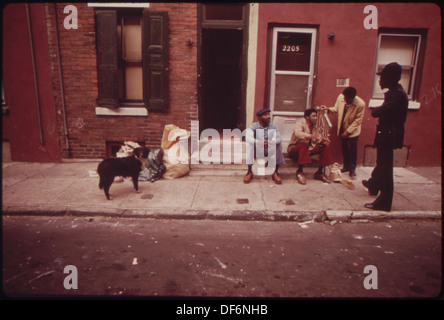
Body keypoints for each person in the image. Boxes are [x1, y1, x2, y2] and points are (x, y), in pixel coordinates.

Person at [362, 62, 408, 211]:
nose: (380, 81)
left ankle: (384, 202)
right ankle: (374, 186)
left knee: (386, 168)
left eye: (383, 78)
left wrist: (377, 110)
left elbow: (380, 111)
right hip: (386, 134)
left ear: (392, 78)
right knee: (382, 165)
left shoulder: (397, 95)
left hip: (389, 135)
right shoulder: (394, 93)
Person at [287, 108, 333, 184]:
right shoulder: (300, 123)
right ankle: (299, 172)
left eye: (316, 116)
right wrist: (310, 136)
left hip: (306, 150)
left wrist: (322, 140)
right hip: (294, 149)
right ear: (307, 117)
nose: (316, 118)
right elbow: (298, 133)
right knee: (304, 145)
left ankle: (319, 172)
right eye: (314, 116)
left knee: (325, 146)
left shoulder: (315, 127)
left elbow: (316, 140)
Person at [326, 87, 365, 178]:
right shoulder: (341, 97)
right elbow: (336, 108)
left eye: (347, 99)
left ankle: (352, 170)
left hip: (353, 130)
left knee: (353, 149)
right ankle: (346, 166)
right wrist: (327, 109)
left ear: (352, 98)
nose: (344, 100)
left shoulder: (360, 104)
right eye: (344, 98)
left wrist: (348, 132)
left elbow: (358, 121)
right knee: (344, 148)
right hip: (342, 128)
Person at [244, 109, 285, 184]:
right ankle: (249, 172)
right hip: (258, 150)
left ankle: (275, 172)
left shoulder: (273, 126)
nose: (268, 116)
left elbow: (279, 138)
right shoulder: (253, 126)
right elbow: (247, 138)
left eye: (268, 114)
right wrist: (259, 142)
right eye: (265, 115)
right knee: (250, 145)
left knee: (278, 145)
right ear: (259, 118)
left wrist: (271, 142)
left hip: (269, 149)